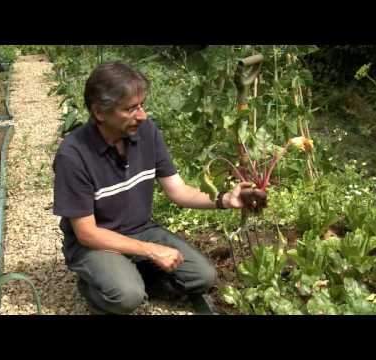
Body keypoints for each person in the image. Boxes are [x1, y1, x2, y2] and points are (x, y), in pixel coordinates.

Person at [53, 61, 252, 315]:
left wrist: (225, 199)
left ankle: (134, 270)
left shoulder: (146, 132)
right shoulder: (74, 155)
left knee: (203, 277)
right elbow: (87, 234)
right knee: (127, 297)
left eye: (142, 105)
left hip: (141, 230)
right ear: (100, 113)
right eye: (130, 109)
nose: (142, 115)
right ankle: (93, 284)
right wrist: (152, 250)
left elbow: (178, 190)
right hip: (96, 243)